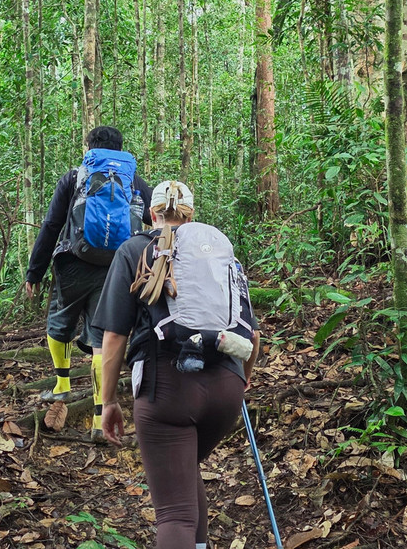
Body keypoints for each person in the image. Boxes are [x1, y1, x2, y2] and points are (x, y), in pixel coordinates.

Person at [96, 180, 260, 549]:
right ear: (192, 216)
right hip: (227, 389)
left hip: (167, 389)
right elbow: (253, 337)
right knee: (185, 478)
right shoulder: (220, 255)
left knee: (174, 514)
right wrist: (242, 382)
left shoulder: (134, 250)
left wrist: (107, 401)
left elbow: (114, 338)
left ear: (151, 213)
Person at [24, 125, 153, 438]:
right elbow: (157, 217)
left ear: (90, 147)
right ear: (121, 148)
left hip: (73, 262)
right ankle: (99, 419)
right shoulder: (133, 180)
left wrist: (34, 272)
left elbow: (52, 224)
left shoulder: (75, 176)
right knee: (100, 337)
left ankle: (62, 383)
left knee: (59, 321)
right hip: (115, 266)